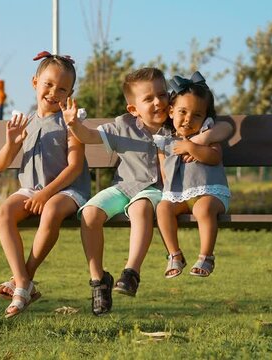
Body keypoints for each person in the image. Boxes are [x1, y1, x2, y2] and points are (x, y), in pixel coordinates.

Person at [62, 67, 233, 315]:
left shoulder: (176, 124)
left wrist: (196, 142)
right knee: (89, 213)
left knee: (140, 206)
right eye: (149, 98)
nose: (158, 102)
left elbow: (224, 128)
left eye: (163, 95)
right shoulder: (123, 125)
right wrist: (73, 124)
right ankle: (98, 280)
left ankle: (131, 272)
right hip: (122, 187)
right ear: (133, 109)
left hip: (154, 191)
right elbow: (88, 136)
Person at [0, 51, 91, 318]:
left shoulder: (71, 122)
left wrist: (47, 194)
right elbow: (0, 164)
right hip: (32, 189)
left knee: (51, 210)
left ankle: (24, 281)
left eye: (62, 88)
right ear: (34, 82)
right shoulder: (26, 122)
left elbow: (75, 167)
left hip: (66, 191)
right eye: (48, 84)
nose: (53, 92)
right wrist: (12, 143)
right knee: (3, 213)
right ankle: (22, 281)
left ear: (70, 92)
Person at [156, 72, 231, 279]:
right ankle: (174, 254)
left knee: (203, 208)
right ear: (171, 112)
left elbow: (214, 158)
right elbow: (164, 171)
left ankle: (206, 256)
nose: (188, 119)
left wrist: (193, 146)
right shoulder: (165, 140)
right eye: (182, 111)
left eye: (197, 115)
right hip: (179, 195)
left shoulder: (207, 135)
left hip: (211, 193)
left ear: (206, 118)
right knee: (162, 208)